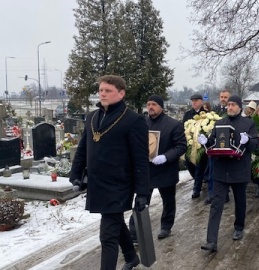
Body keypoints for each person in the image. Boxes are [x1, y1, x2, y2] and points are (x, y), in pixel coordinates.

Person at [69, 75, 150, 270]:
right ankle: (131, 257)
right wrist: (76, 174)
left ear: (121, 94)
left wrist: (143, 192)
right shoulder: (92, 117)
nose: (102, 94)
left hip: (119, 185)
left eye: (108, 91)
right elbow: (83, 149)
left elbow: (140, 158)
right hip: (98, 184)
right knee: (115, 222)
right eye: (101, 90)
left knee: (107, 235)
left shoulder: (134, 120)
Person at [198, 95, 259, 252]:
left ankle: (239, 226)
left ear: (239, 107)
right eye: (228, 105)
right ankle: (211, 241)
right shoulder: (220, 123)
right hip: (220, 170)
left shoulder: (249, 123)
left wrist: (249, 141)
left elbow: (255, 145)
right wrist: (205, 141)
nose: (230, 107)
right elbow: (213, 141)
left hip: (239, 170)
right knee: (216, 205)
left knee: (240, 201)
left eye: (233, 105)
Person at [128, 95, 187, 241]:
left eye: (154, 104)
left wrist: (166, 157)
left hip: (165, 169)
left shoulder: (173, 124)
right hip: (146, 170)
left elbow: (181, 146)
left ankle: (166, 226)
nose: (150, 107)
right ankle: (134, 232)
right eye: (148, 104)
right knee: (141, 200)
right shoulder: (142, 123)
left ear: (161, 106)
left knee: (168, 201)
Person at [182, 93, 208, 199]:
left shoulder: (207, 114)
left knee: (200, 166)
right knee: (189, 164)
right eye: (192, 101)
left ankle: (196, 189)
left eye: (196, 100)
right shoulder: (187, 114)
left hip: (201, 146)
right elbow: (183, 127)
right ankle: (198, 180)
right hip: (189, 145)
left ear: (201, 101)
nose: (194, 102)